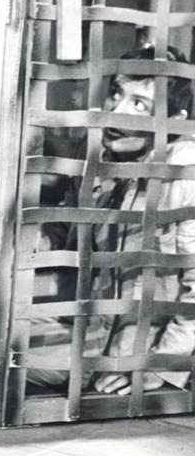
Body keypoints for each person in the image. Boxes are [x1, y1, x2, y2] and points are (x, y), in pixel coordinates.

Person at [25, 45, 195, 395]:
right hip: (90, 313)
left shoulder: (184, 172)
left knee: (1, 353)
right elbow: (68, 230)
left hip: (139, 342)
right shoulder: (101, 152)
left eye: (139, 105)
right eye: (116, 93)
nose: (116, 111)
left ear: (174, 121)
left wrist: (163, 365)